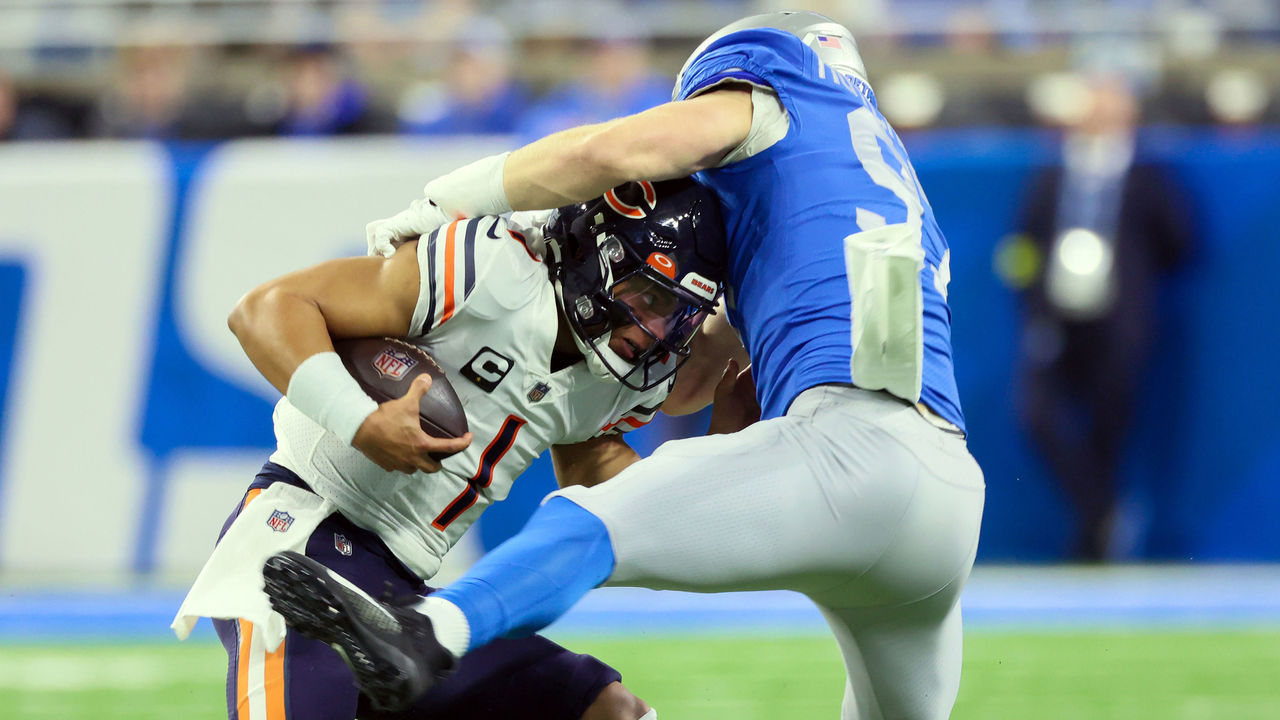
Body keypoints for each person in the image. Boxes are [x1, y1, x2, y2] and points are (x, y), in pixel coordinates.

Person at [267, 11, 985, 720]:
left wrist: (443, 200)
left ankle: (426, 633)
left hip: (848, 450)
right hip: (948, 497)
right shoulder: (880, 187)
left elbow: (601, 157)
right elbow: (697, 379)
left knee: (581, 523)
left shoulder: (774, 97)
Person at [172, 177, 741, 720]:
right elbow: (266, 308)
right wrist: (360, 420)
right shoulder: (495, 271)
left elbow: (605, 493)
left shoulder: (613, 380)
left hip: (403, 591)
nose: (649, 330)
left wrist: (716, 458)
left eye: (673, 313)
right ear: (597, 255)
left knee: (610, 711)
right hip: (299, 545)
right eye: (644, 295)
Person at [1001, 73, 1190, 560]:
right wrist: (1032, 294)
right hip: (1057, 316)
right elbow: (1023, 241)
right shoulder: (1052, 171)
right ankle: (1103, 512)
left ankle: (1093, 541)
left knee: (1110, 426)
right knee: (1037, 413)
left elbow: (1180, 241)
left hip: (1118, 320)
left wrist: (1133, 279)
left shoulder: (1149, 173)